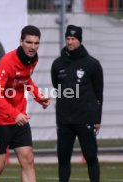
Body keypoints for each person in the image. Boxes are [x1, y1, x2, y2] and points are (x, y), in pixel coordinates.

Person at [0, 25, 50, 182]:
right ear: (21, 42)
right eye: (29, 42)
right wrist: (14, 114)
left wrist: (39, 97)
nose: (33, 47)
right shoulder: (7, 62)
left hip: (20, 118)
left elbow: (25, 79)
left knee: (28, 160)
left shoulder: (34, 59)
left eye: (36, 43)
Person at [51, 25, 103, 182]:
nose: (69, 42)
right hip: (64, 120)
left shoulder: (92, 64)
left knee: (91, 157)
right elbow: (56, 86)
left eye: (73, 39)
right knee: (63, 159)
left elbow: (98, 93)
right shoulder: (57, 64)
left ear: (80, 40)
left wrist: (97, 119)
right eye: (67, 38)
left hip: (85, 118)